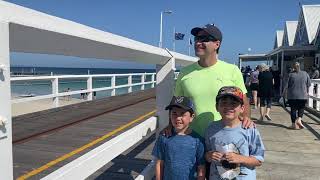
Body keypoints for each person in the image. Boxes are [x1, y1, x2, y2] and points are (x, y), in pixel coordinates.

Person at [174, 23, 252, 138]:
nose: (197, 42)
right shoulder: (184, 72)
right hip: (192, 138)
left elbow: (243, 99)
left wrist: (246, 119)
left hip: (223, 138)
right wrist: (170, 126)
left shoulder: (232, 70)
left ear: (217, 44)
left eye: (204, 39)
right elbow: (176, 104)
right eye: (196, 39)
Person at [205, 86, 265, 180]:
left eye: (233, 104)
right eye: (224, 103)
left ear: (242, 108)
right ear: (217, 107)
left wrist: (240, 158)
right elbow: (206, 155)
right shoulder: (211, 129)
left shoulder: (249, 129)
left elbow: (259, 159)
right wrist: (209, 156)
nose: (228, 107)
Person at [152, 96, 206, 180]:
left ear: (191, 117)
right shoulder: (164, 137)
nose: (178, 118)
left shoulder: (198, 140)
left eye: (182, 114)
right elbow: (159, 163)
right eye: (174, 113)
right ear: (170, 115)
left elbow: (201, 167)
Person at [283, 62, 311, 129]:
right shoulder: (305, 73)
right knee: (301, 108)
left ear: (293, 68)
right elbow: (309, 84)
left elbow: (287, 85)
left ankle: (293, 125)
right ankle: (299, 119)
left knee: (293, 109)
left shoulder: (290, 75)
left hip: (292, 95)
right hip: (303, 95)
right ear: (300, 67)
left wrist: (283, 93)